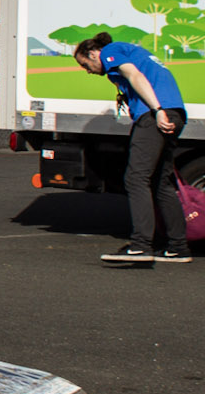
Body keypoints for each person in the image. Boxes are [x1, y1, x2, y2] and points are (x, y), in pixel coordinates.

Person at [74, 31, 190, 265]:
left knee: (136, 178)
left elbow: (135, 76)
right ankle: (178, 247)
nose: (87, 70)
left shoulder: (110, 51)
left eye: (85, 64)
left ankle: (140, 246)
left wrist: (157, 111)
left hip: (156, 113)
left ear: (93, 53)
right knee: (161, 182)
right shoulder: (131, 53)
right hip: (175, 112)